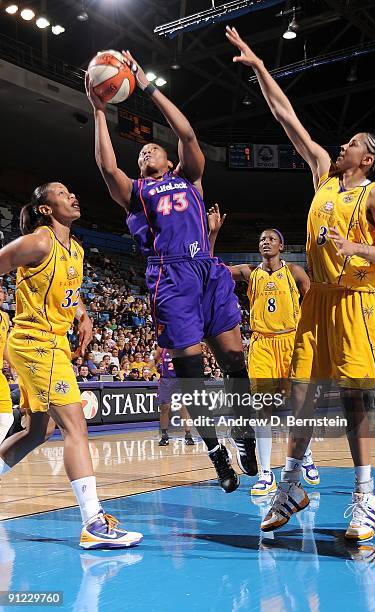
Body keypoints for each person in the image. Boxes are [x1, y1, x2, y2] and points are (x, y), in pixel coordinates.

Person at [226, 26, 375, 540]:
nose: (341, 145)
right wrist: (261, 67)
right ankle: (291, 487)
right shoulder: (323, 173)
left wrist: (355, 249)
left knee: (353, 401)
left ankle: (365, 497)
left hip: (355, 301)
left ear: (366, 158)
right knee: (301, 398)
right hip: (318, 305)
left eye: (351, 143)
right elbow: (288, 118)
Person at [86, 51, 257, 493]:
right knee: (191, 372)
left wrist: (147, 85)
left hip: (206, 268)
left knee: (235, 359)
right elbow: (108, 167)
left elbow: (186, 132)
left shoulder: (190, 177)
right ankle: (217, 451)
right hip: (169, 277)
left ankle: (244, 432)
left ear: (166, 158)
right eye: (140, 151)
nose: (145, 150)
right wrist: (98, 111)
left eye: (152, 147)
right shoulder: (137, 192)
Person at [0, 182, 142, 548]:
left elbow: (69, 293)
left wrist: (83, 314)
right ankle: (93, 523)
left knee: (37, 432)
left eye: (72, 192)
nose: (73, 196)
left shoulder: (74, 251)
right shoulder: (39, 241)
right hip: (36, 343)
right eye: (62, 194)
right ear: (46, 209)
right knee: (76, 427)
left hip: (53, 345)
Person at [209, 205, 319, 496]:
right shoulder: (250, 273)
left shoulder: (295, 272)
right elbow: (211, 268)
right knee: (262, 411)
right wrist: (213, 233)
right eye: (262, 239)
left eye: (271, 238)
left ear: (281, 246)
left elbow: (314, 307)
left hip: (292, 341)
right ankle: (267, 473)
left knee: (300, 407)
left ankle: (304, 454)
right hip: (262, 344)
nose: (265, 242)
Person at [155, 347, 195, 446]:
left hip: (180, 379)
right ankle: (164, 435)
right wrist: (152, 366)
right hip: (166, 380)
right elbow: (155, 359)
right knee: (165, 407)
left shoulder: (182, 346)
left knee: (183, 407)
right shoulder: (162, 347)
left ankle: (188, 434)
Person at [0, 289, 13, 442]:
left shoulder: (4, 317)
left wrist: (16, 367)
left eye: (1, 291)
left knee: (6, 418)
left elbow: (5, 348)